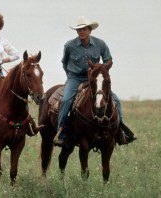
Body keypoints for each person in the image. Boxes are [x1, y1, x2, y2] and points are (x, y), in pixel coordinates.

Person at [53, 16, 136, 147]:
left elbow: (108, 60)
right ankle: (61, 132)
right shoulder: (69, 45)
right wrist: (70, 77)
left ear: (90, 30)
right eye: (79, 30)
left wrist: (100, 70)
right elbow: (65, 63)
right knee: (66, 100)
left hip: (95, 78)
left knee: (116, 100)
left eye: (84, 29)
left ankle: (120, 131)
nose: (81, 32)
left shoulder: (100, 44)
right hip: (75, 78)